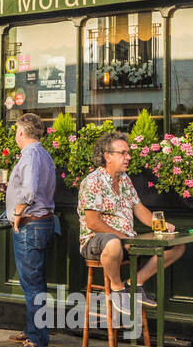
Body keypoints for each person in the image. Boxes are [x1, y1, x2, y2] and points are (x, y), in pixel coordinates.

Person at [77, 131, 184, 313]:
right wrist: (124, 239)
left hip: (127, 241)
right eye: (123, 153)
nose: (128, 157)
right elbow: (93, 223)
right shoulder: (92, 181)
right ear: (107, 156)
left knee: (177, 245)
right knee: (113, 243)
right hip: (96, 242)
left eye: (128, 153)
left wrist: (160, 225)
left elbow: (138, 208)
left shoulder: (125, 180)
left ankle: (135, 284)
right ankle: (118, 289)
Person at [2, 113, 56, 347]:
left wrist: (17, 212)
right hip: (40, 224)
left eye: (16, 132)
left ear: (21, 133)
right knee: (35, 282)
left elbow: (30, 190)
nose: (15, 136)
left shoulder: (31, 155)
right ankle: (34, 329)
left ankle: (37, 339)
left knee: (32, 284)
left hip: (30, 224)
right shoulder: (42, 154)